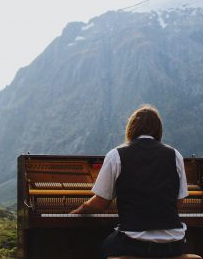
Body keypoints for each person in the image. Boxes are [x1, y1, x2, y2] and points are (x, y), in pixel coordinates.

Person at [71, 104, 188, 258]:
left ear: (131, 129)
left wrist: (78, 211)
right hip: (174, 244)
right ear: (159, 130)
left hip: (134, 243)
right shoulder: (175, 155)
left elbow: (100, 204)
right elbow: (179, 203)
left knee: (96, 247)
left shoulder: (116, 155)